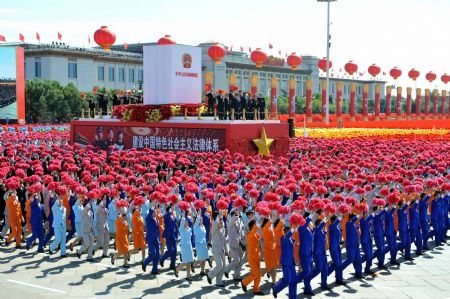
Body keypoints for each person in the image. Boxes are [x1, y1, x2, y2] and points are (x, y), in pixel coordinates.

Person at [272, 225, 297, 299]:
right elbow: (287, 237)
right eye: (290, 231)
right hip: (286, 263)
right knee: (287, 280)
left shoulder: (291, 239)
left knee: (293, 281)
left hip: (291, 262)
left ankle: (293, 297)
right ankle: (275, 288)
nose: (292, 232)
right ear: (286, 232)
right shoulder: (283, 238)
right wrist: (293, 229)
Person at [241, 219, 264, 296]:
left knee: (259, 274)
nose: (257, 225)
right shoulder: (249, 234)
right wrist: (258, 222)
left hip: (257, 256)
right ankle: (244, 282)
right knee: (255, 273)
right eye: (255, 224)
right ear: (251, 227)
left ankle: (256, 290)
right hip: (251, 257)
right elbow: (254, 231)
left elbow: (258, 235)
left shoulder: (255, 234)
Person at [206, 211, 226, 287]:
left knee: (223, 266)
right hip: (216, 248)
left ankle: (219, 282)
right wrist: (220, 212)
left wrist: (226, 250)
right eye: (219, 217)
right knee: (219, 265)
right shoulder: (214, 226)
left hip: (222, 249)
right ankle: (210, 275)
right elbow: (216, 222)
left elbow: (224, 240)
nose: (221, 223)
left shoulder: (222, 228)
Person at [296, 212, 314, 296]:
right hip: (304, 253)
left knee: (309, 272)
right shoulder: (301, 228)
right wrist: (312, 213)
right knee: (307, 271)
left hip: (309, 252)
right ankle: (293, 281)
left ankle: (307, 289)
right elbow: (307, 221)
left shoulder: (309, 229)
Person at [224, 209, 244, 281]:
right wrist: (237, 211)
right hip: (233, 243)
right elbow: (234, 219)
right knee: (236, 260)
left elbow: (240, 232)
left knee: (240, 260)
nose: (238, 216)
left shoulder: (239, 222)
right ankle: (226, 270)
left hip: (239, 243)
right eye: (236, 215)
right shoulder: (231, 222)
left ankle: (236, 275)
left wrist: (242, 243)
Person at [342, 213, 363, 278]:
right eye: (354, 218)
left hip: (356, 245)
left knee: (358, 260)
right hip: (350, 245)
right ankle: (339, 270)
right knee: (350, 259)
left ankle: (358, 274)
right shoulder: (348, 224)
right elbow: (354, 220)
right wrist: (359, 214)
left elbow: (359, 229)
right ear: (352, 218)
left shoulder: (355, 224)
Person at [328, 214, 346, 284]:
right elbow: (335, 224)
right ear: (333, 221)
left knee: (339, 264)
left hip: (337, 247)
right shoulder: (331, 226)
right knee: (337, 263)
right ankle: (326, 272)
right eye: (336, 220)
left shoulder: (337, 227)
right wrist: (340, 216)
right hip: (333, 247)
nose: (338, 221)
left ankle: (339, 279)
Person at [142, 207, 160, 274]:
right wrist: (152, 207)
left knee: (157, 255)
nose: (155, 213)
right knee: (153, 254)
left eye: (155, 212)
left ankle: (154, 269)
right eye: (153, 212)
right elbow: (148, 215)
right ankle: (145, 263)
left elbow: (158, 230)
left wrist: (159, 239)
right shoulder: (148, 219)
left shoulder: (157, 220)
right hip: (150, 239)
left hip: (156, 239)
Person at [312, 217, 329, 289]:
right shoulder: (316, 230)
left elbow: (325, 230)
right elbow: (321, 227)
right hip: (318, 253)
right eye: (321, 223)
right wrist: (324, 221)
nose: (323, 224)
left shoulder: (322, 231)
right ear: (318, 225)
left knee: (325, 269)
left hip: (323, 253)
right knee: (319, 269)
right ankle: (307, 279)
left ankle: (324, 284)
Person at [160, 205, 178, 272]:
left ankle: (172, 265)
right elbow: (165, 218)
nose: (173, 210)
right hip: (168, 235)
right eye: (172, 209)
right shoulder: (166, 216)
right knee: (170, 250)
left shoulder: (173, 216)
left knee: (175, 251)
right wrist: (169, 212)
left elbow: (175, 225)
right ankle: (162, 259)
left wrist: (176, 234)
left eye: (173, 208)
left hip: (173, 235)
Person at [176, 215, 194, 281]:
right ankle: (177, 270)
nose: (186, 222)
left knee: (189, 262)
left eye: (187, 221)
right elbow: (182, 222)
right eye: (185, 221)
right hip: (184, 246)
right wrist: (183, 216)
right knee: (185, 262)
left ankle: (188, 276)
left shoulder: (189, 229)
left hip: (189, 246)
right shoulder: (181, 229)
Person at [262, 216, 277, 285]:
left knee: (274, 267)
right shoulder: (264, 228)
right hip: (268, 250)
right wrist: (271, 220)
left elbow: (273, 237)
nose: (270, 223)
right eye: (269, 222)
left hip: (273, 250)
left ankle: (274, 282)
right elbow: (268, 225)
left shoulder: (270, 228)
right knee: (269, 268)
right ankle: (256, 274)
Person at [360, 209, 375, 274]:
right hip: (365, 240)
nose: (367, 214)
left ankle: (367, 268)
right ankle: (358, 262)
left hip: (369, 239)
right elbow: (368, 220)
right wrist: (375, 212)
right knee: (368, 255)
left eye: (368, 213)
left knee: (370, 255)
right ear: (363, 215)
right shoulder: (362, 220)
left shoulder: (368, 221)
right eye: (366, 213)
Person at [373, 205, 387, 269]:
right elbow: (383, 211)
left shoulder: (381, 217)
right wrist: (389, 205)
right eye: (380, 208)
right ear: (376, 210)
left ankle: (381, 263)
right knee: (380, 250)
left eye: (382, 208)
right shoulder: (376, 216)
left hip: (381, 235)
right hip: (377, 235)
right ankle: (371, 258)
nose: (381, 209)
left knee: (383, 249)